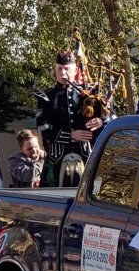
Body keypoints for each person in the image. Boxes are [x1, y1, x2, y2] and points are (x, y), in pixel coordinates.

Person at [36, 50, 109, 187]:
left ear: (75, 70)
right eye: (59, 69)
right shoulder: (47, 96)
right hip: (56, 158)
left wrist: (101, 122)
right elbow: (42, 127)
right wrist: (70, 135)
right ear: (55, 70)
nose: (63, 73)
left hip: (85, 154)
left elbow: (108, 117)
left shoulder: (89, 92)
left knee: (89, 191)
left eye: (67, 69)